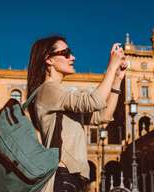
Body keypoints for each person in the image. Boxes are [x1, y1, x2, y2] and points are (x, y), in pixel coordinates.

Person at [27, 35, 126, 192]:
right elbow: (93, 101)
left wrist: (117, 80)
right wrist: (111, 67)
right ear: (49, 59)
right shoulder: (47, 90)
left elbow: (103, 116)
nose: (72, 57)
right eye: (65, 53)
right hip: (61, 176)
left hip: (72, 177)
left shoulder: (60, 94)